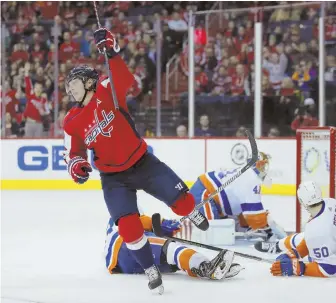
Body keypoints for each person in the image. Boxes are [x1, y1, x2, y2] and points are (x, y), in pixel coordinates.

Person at [62, 28, 208, 294]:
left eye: (74, 83)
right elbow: (73, 153)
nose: (70, 89)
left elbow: (126, 79)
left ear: (89, 81)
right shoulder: (71, 120)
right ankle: (150, 269)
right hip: (113, 178)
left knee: (183, 202)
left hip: (143, 163)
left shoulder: (107, 88)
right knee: (128, 228)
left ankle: (191, 211)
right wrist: (78, 167)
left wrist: (112, 52)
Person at [105, 213, 243, 281]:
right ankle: (206, 266)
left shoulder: (117, 210)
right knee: (170, 248)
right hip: (124, 244)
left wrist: (162, 227)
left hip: (124, 264)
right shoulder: (124, 210)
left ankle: (208, 270)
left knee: (172, 260)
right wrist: (163, 223)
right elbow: (142, 221)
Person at [189, 152, 287, 242]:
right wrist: (268, 227)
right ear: (258, 164)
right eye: (263, 165)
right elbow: (255, 216)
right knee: (213, 235)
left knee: (227, 231)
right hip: (203, 193)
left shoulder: (246, 173)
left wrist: (255, 226)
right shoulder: (251, 178)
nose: (265, 168)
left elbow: (244, 210)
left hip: (210, 196)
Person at [265, 181, 336, 278]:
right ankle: (277, 246)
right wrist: (295, 253)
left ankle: (277, 245)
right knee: (301, 237)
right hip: (328, 237)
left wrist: (298, 268)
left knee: (301, 238)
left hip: (324, 238)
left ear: (302, 201)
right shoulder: (330, 202)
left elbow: (329, 269)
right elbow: (310, 239)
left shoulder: (316, 232)